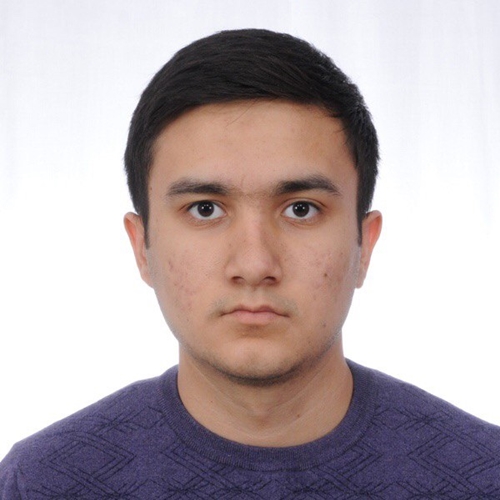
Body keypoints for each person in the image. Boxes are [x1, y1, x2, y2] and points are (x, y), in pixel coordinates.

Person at [1, 28, 499, 499]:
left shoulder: (485, 477)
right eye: (205, 209)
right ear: (141, 246)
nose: (256, 264)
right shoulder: (41, 483)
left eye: (301, 209)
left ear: (363, 245)